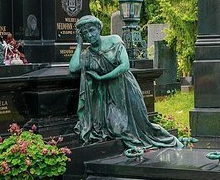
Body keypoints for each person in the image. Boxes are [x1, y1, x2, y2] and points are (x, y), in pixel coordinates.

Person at [69, 15, 182, 149]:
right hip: (106, 96)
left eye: (92, 30)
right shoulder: (88, 53)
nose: (90, 35)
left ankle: (172, 141)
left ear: (99, 29)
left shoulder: (114, 41)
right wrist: (79, 44)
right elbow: (73, 67)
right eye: (85, 33)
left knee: (142, 127)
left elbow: (125, 65)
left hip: (125, 89)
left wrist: (102, 78)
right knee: (118, 128)